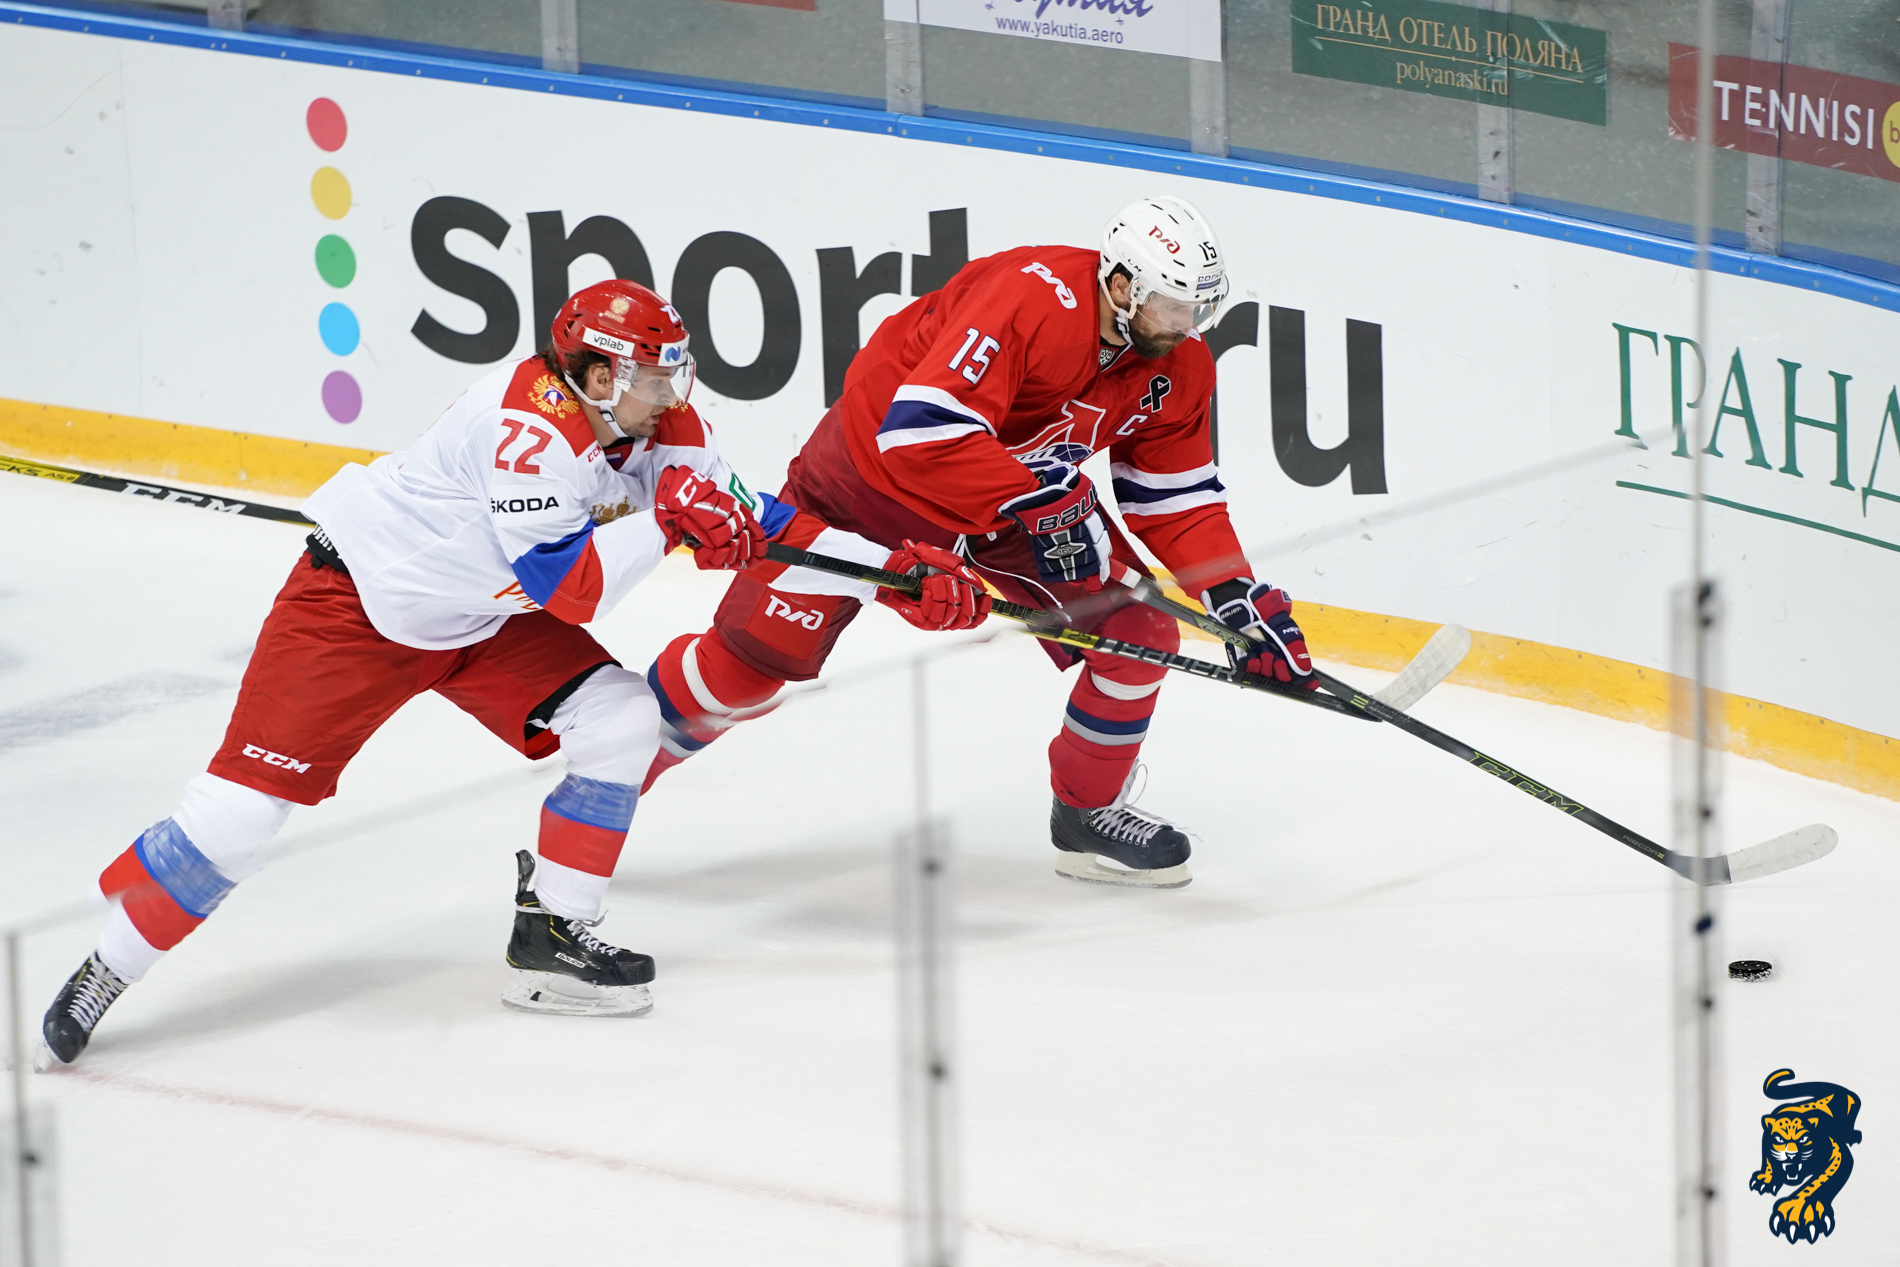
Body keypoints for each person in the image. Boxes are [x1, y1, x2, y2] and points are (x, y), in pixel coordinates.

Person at [38, 280, 989, 1066]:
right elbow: (570, 591)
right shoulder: (527, 428)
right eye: (651, 375)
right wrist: (668, 523)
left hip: (480, 619)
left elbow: (766, 521)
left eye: (675, 371)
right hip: (357, 609)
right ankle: (107, 962)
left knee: (620, 721)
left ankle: (553, 938)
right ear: (594, 373)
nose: (670, 392)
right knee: (238, 822)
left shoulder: (665, 422)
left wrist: (892, 571)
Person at [638, 196, 1317, 890]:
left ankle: (1087, 814)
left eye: (1200, 309)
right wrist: (1043, 501)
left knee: (1137, 632)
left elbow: (1173, 497)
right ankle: (606, 779)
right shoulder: (1030, 299)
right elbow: (918, 432)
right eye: (1173, 308)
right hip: (869, 486)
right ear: (1122, 286)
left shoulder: (1180, 363)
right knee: (743, 674)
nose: (1188, 327)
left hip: (1011, 505)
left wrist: (1234, 597)